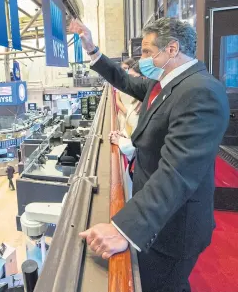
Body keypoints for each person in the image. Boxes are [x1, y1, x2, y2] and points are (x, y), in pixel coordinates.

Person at [70, 17, 229, 292]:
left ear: (172, 49)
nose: (141, 59)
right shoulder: (166, 84)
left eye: (146, 51)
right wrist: (92, 49)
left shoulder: (201, 92)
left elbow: (176, 172)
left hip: (174, 228)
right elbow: (123, 80)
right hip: (162, 221)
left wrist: (123, 228)